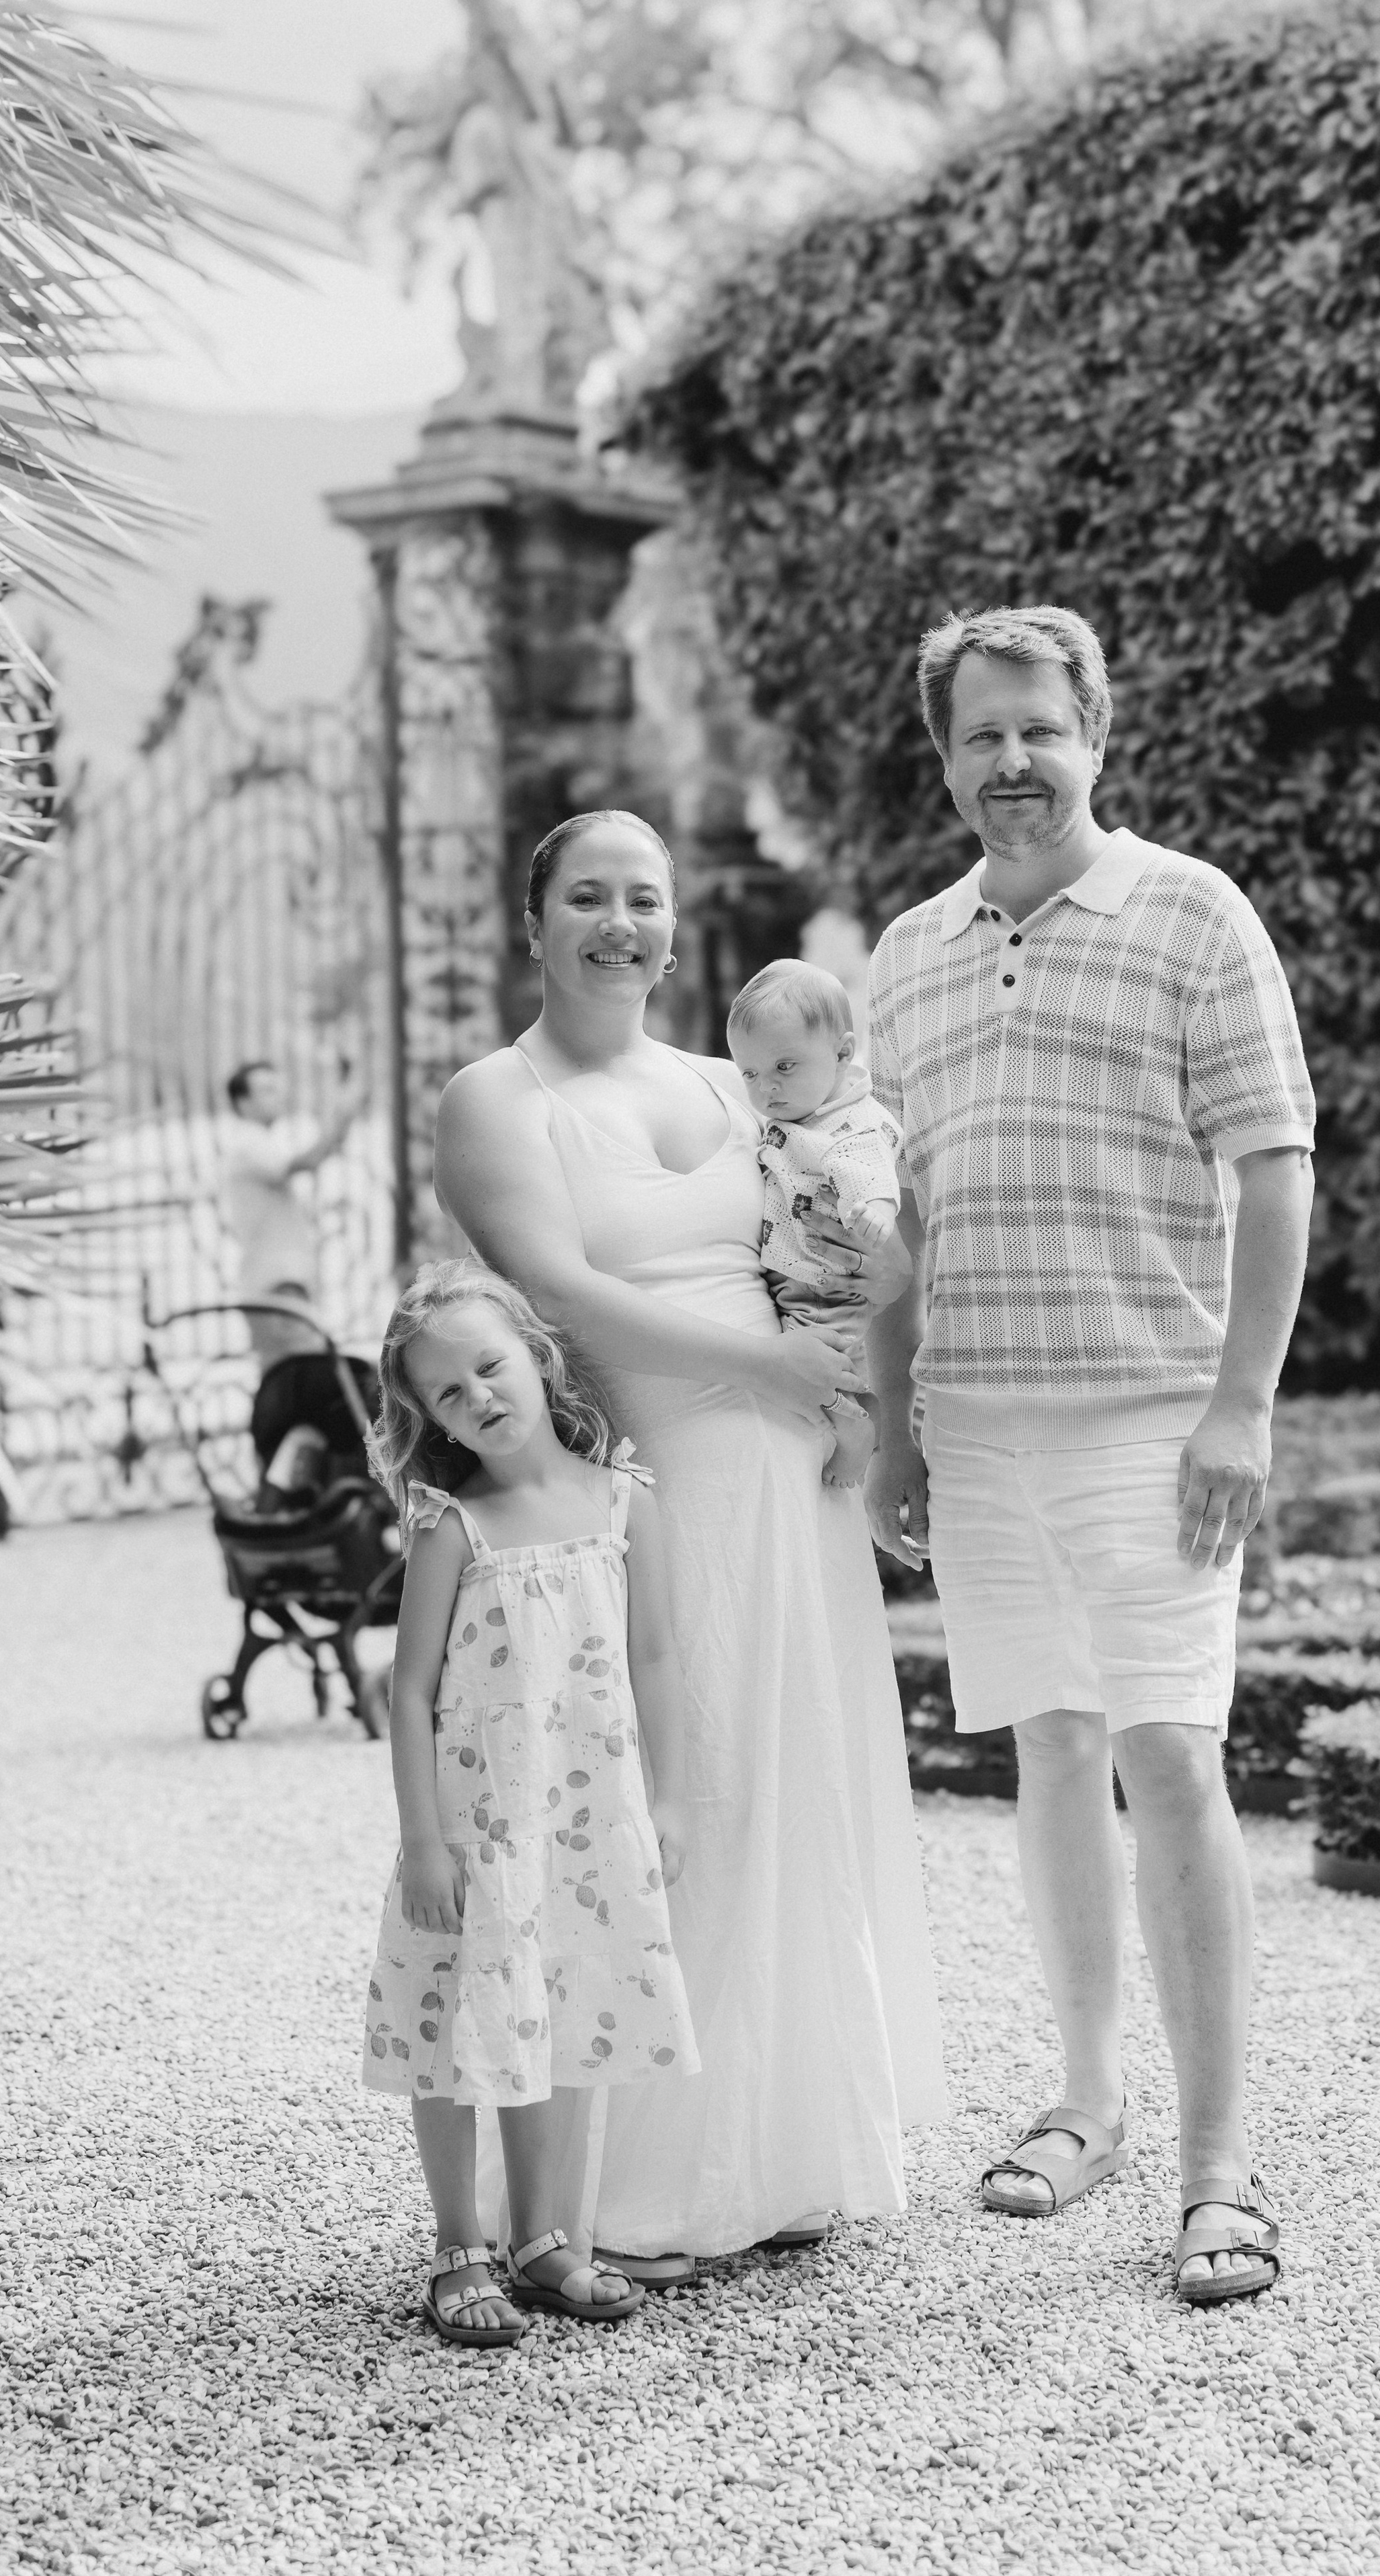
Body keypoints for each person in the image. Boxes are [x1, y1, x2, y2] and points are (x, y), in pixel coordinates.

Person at [865, 605, 1314, 2307]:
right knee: (1048, 1754)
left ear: (1095, 731)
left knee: (1169, 1758)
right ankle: (1086, 2099)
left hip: (1150, 1415)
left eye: (1035, 729)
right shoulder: (906, 953)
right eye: (976, 736)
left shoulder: (1193, 912)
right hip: (975, 1418)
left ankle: (1217, 2167)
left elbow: (1269, 1167)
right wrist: (899, 1417)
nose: (1008, 763)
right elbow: (899, 1216)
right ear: (945, 755)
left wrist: (1239, 1403)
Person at [432, 808, 948, 2278]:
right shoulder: (496, 1098)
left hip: (792, 1474)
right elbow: (555, 1290)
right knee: (676, 1790)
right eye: (587, 897)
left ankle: (785, 2151)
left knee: (794, 1782)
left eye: (644, 900)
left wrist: (855, 1391)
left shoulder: (744, 1081)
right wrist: (766, 1375)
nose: (620, 925)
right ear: (532, 921)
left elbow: (844, 1238)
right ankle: (639, 2183)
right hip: (644, 1474)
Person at [361, 1258, 698, 2346]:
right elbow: (408, 1695)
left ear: (537, 1356)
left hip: (591, 1829)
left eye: (489, 1368)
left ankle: (550, 2237)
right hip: (477, 1832)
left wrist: (673, 1801)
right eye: (449, 1395)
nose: (480, 1399)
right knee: (463, 2035)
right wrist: (424, 1841)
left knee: (573, 2023)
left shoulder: (624, 1505)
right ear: (428, 1418)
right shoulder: (453, 1525)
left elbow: (657, 1659)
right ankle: (462, 2245)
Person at [726, 956, 902, 1489]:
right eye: (751, 1074)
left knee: (821, 1357)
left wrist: (876, 1209)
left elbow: (869, 1168)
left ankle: (856, 1427)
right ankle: (847, 1415)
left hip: (827, 1282)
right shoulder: (796, 1113)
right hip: (793, 1272)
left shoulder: (849, 1122)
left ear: (843, 1053)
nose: (767, 1089)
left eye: (784, 1067)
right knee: (809, 1353)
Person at [219, 1061, 356, 1365]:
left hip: (276, 1280)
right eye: (267, 1090)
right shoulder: (248, 1141)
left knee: (286, 1378)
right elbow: (307, 1161)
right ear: (243, 1103)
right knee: (303, 1372)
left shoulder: (260, 1143)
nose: (278, 1096)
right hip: (277, 1283)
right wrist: (343, 1116)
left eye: (278, 1088)